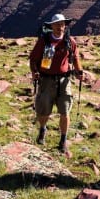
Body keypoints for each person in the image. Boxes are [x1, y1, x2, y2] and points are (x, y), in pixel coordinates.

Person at [29, 13, 84, 154]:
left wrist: (79, 72)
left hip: (64, 81)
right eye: (57, 24)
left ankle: (63, 140)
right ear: (51, 26)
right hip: (46, 80)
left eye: (62, 24)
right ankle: (42, 129)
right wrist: (34, 72)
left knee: (65, 111)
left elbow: (76, 58)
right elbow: (33, 59)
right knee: (44, 110)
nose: (60, 27)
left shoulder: (70, 41)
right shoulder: (44, 41)